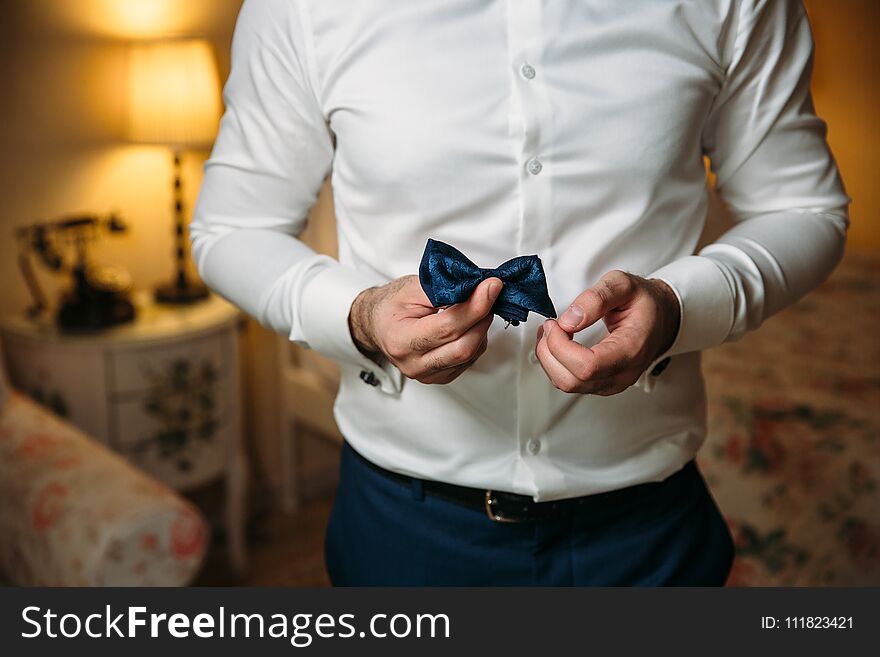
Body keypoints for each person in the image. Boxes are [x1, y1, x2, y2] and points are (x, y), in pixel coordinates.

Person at [191, 0, 848, 586]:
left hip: (647, 535)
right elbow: (231, 228)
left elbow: (806, 209)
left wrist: (680, 307)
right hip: (403, 534)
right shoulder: (302, 9)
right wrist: (357, 317)